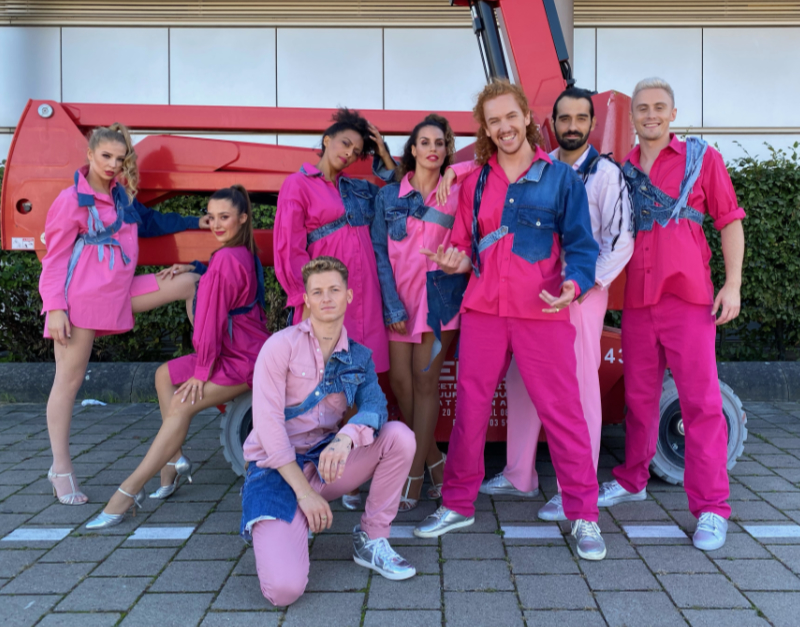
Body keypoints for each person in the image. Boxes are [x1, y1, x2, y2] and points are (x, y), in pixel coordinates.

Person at [413, 79, 607, 561]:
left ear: (526, 118)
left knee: (563, 413)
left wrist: (574, 284)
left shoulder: (562, 179)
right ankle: (457, 503)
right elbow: (465, 247)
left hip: (542, 312)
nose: (504, 127)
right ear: (485, 128)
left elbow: (583, 247)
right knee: (470, 411)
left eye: (510, 116)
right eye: (493, 120)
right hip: (483, 311)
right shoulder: (475, 182)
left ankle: (583, 513)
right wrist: (454, 261)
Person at [596, 78, 745, 552]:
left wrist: (733, 285)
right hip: (638, 303)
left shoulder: (702, 159)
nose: (651, 115)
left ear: (673, 113)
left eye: (659, 107)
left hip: (689, 301)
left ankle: (712, 507)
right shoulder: (622, 170)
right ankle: (632, 479)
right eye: (642, 108)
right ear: (633, 116)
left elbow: (730, 220)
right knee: (638, 399)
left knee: (701, 405)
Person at [478, 87, 634, 520]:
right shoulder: (538, 167)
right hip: (533, 290)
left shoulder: (606, 174)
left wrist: (584, 283)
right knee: (521, 378)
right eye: (564, 118)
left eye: (580, 118)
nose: (571, 126)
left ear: (592, 124)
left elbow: (622, 240)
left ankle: (573, 488)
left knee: (577, 387)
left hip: (581, 293)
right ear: (551, 123)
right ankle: (519, 473)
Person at [38, 123, 210, 506]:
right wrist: (55, 309)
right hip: (80, 303)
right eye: (106, 156)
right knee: (68, 383)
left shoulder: (122, 197)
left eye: (119, 158)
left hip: (120, 293)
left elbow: (152, 222)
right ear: (90, 155)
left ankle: (211, 361)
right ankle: (60, 469)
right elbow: (54, 261)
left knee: (190, 281)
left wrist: (194, 221)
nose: (113, 164)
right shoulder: (71, 200)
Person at [85, 185, 270, 528]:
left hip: (242, 359)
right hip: (237, 350)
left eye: (225, 217)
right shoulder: (240, 252)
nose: (216, 224)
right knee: (163, 376)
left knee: (182, 405)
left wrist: (202, 372)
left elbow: (211, 321)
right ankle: (172, 464)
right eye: (211, 217)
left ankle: (128, 492)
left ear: (243, 218)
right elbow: (220, 279)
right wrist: (193, 267)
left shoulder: (228, 259)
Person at [241, 256, 417, 606]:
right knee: (284, 591)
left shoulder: (359, 357)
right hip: (276, 470)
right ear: (306, 299)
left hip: (324, 461)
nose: (326, 298)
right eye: (317, 291)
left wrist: (345, 436)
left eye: (334, 290)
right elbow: (269, 428)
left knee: (399, 437)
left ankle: (371, 538)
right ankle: (292, 519)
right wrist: (305, 494)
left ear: (348, 296)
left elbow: (376, 407)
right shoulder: (280, 347)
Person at [275, 108, 396, 511]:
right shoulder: (298, 184)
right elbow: (288, 247)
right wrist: (305, 300)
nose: (349, 153)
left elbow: (399, 192)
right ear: (327, 140)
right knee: (324, 386)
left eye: (357, 150)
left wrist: (382, 154)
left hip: (365, 296)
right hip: (326, 302)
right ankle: (311, 474)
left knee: (363, 381)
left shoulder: (358, 188)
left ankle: (354, 472)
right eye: (345, 143)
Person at [370, 114, 474, 510]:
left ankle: (411, 476)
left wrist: (458, 170)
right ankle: (434, 459)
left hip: (440, 302)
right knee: (400, 383)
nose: (433, 149)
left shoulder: (458, 190)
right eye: (425, 142)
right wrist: (391, 304)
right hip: (400, 301)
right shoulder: (388, 196)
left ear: (447, 151)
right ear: (412, 150)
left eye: (440, 143)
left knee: (425, 381)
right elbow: (380, 253)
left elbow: (491, 160)